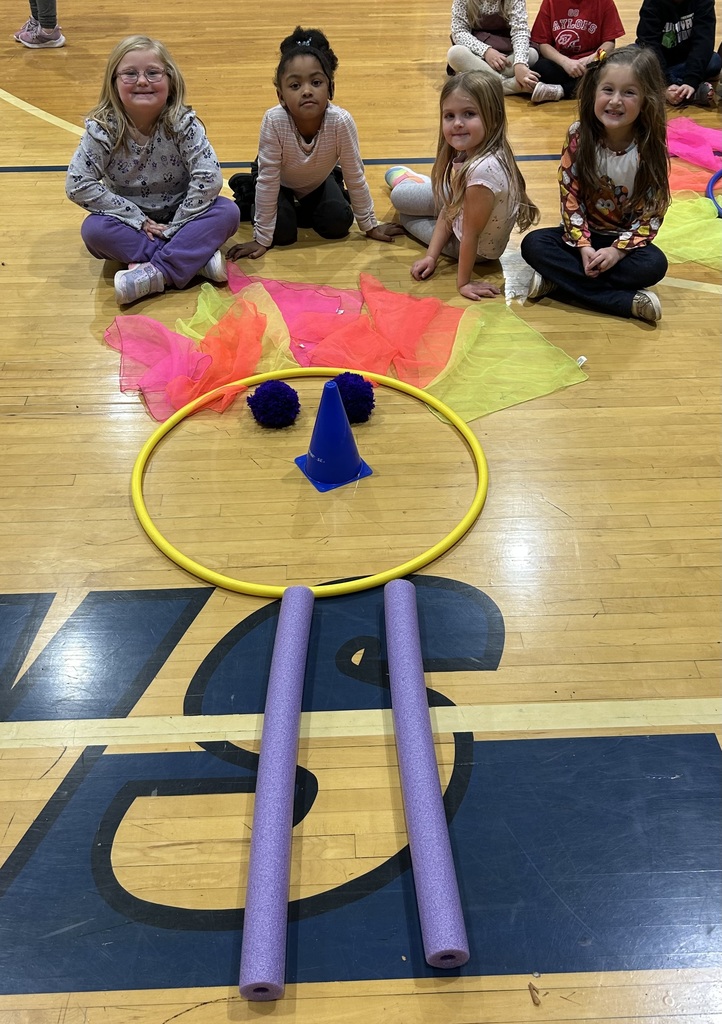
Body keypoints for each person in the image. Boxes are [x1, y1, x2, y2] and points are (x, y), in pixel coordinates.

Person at [65, 36, 239, 305]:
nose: (142, 81)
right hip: (130, 223)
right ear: (113, 82)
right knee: (94, 231)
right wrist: (137, 218)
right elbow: (77, 184)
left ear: (170, 80)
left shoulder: (183, 123)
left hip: (183, 216)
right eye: (130, 74)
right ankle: (194, 260)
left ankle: (155, 272)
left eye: (153, 73)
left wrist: (177, 225)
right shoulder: (103, 129)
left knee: (228, 212)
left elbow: (209, 178)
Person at [520, 46, 671, 324]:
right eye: (608, 90)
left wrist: (617, 251)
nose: (615, 101)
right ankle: (624, 302)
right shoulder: (578, 135)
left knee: (654, 265)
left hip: (623, 243)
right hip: (581, 238)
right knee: (533, 244)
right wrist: (583, 246)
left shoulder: (650, 146)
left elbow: (652, 212)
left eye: (629, 92)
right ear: (594, 91)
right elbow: (570, 196)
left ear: (646, 100)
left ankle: (560, 282)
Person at [227, 27, 402, 260]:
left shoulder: (341, 121)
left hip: (317, 178)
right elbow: (269, 181)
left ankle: (318, 192)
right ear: (280, 96)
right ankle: (252, 193)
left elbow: (355, 175)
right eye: (295, 85)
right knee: (281, 234)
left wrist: (370, 226)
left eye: (316, 82)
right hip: (278, 179)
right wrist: (261, 238)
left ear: (331, 88)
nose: (307, 91)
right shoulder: (274, 120)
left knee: (338, 223)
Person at [386, 72, 539, 301]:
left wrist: (463, 282)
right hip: (467, 213)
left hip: (474, 251)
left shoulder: (480, 172)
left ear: (493, 117)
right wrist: (431, 256)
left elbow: (469, 233)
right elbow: (452, 208)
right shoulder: (486, 149)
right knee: (405, 199)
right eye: (449, 115)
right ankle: (418, 184)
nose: (457, 123)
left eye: (469, 114)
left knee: (404, 212)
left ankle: (412, 181)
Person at [529, 0, 625, 102]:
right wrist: (565, 62)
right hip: (561, 63)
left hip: (590, 65)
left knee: (609, 71)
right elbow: (543, 44)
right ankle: (580, 89)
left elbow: (609, 43)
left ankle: (561, 91)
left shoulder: (605, 2)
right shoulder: (550, 2)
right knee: (540, 68)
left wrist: (592, 59)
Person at [447, 0, 546, 98]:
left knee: (532, 54)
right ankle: (506, 85)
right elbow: (459, 32)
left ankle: (485, 79)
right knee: (455, 54)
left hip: (506, 50)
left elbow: (520, 31)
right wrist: (486, 51)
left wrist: (520, 64)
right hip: (477, 51)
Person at [635, 0, 720, 107]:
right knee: (633, 58)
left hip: (686, 60)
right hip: (659, 62)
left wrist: (690, 81)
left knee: (714, 61)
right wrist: (665, 84)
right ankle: (689, 94)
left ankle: (663, 91)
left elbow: (703, 42)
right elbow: (649, 44)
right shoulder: (652, 2)